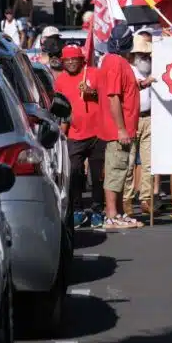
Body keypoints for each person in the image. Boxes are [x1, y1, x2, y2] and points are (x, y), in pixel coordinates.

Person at [55, 44, 107, 228]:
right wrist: (61, 132)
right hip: (74, 134)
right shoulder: (60, 80)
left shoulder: (94, 73)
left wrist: (92, 92)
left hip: (98, 133)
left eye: (74, 59)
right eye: (67, 60)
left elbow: (108, 98)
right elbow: (61, 109)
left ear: (81, 60)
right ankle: (77, 210)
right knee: (74, 173)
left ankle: (97, 210)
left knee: (98, 175)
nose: (70, 63)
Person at [97, 24, 144, 229]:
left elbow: (122, 90)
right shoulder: (115, 62)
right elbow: (113, 97)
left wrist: (142, 84)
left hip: (123, 128)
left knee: (122, 171)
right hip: (118, 130)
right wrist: (121, 128)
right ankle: (111, 215)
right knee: (115, 171)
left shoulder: (114, 61)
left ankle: (118, 213)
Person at [122, 32, 157, 217]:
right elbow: (130, 89)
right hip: (131, 119)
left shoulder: (151, 68)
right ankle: (127, 200)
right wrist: (145, 83)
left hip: (148, 118)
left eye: (147, 54)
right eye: (142, 54)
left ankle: (146, 198)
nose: (145, 57)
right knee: (129, 163)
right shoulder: (127, 69)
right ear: (134, 54)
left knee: (148, 163)